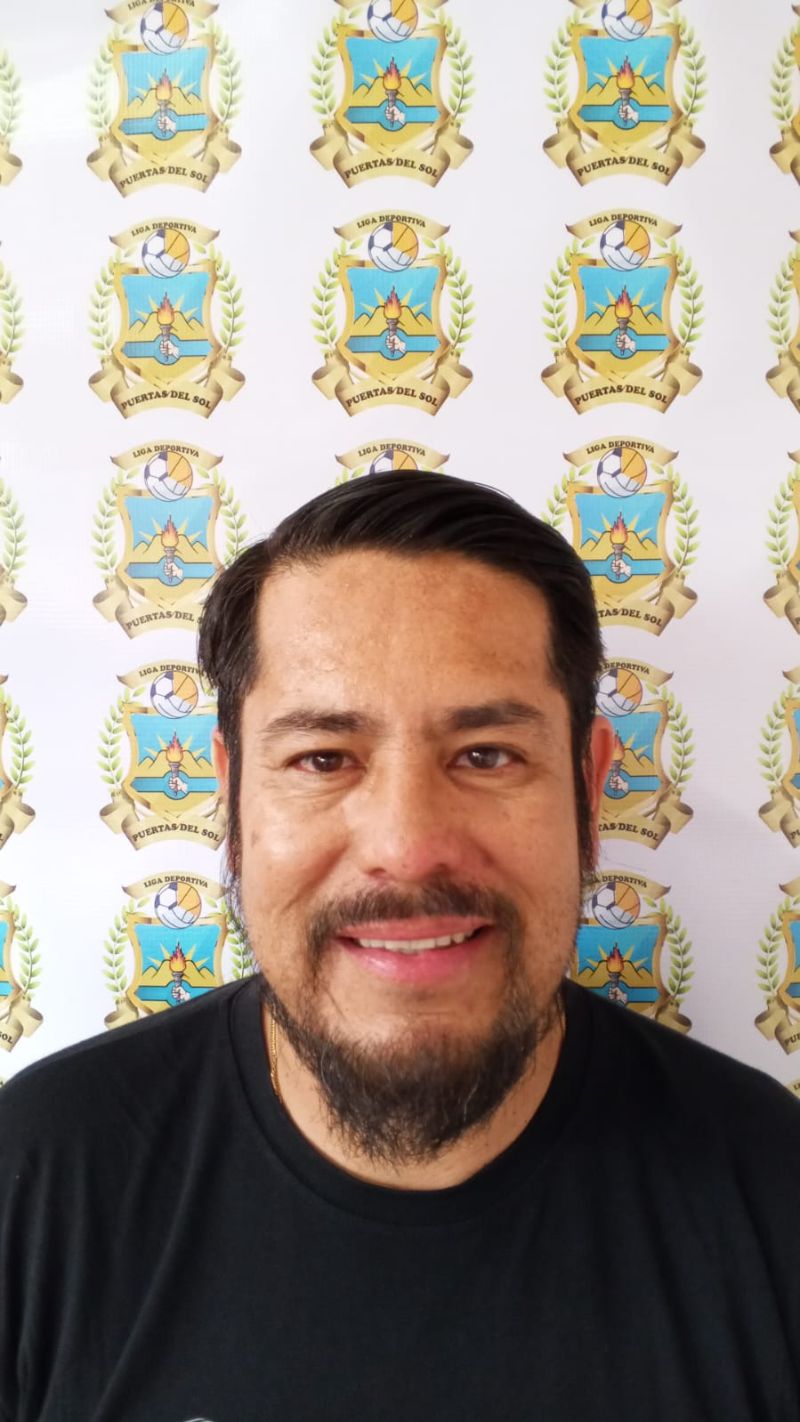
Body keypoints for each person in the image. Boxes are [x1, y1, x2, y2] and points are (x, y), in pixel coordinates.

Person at [1, 470, 799, 1422]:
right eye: (322, 759)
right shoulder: (34, 1179)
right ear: (232, 794)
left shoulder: (774, 1193)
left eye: (487, 755)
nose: (408, 847)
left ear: (589, 793)